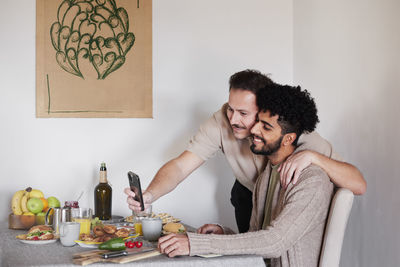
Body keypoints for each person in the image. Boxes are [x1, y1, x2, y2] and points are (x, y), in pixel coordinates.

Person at [124, 70, 366, 233]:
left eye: (243, 113)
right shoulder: (222, 120)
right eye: (231, 109)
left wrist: (314, 157)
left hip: (287, 203)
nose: (233, 119)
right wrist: (150, 196)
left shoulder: (295, 133)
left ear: (265, 111)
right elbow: (181, 165)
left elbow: (358, 184)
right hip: (250, 195)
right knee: (241, 199)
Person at [158, 83, 340, 266]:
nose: (253, 130)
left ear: (289, 139)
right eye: (258, 122)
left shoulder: (312, 181)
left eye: (266, 127)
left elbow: (275, 242)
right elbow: (257, 238)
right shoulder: (267, 174)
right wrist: (224, 233)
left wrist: (197, 244)